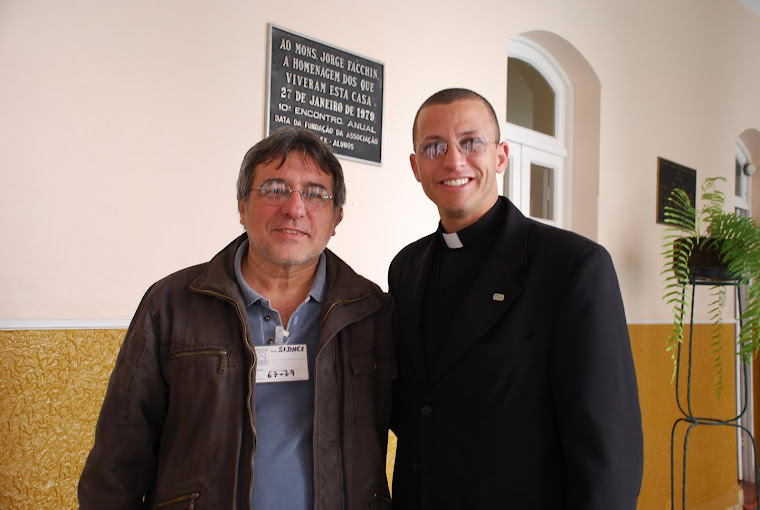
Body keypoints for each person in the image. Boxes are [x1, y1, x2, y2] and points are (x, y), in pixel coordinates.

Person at [79, 127, 395, 510]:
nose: (295, 208)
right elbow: (118, 456)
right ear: (242, 207)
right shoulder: (172, 304)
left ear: (336, 217)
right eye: (275, 189)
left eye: (314, 193)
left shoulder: (371, 312)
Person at [388, 88, 643, 509]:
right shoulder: (405, 268)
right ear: (416, 167)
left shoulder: (573, 267)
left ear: (501, 156)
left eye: (471, 142)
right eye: (435, 147)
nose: (454, 160)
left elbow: (608, 456)